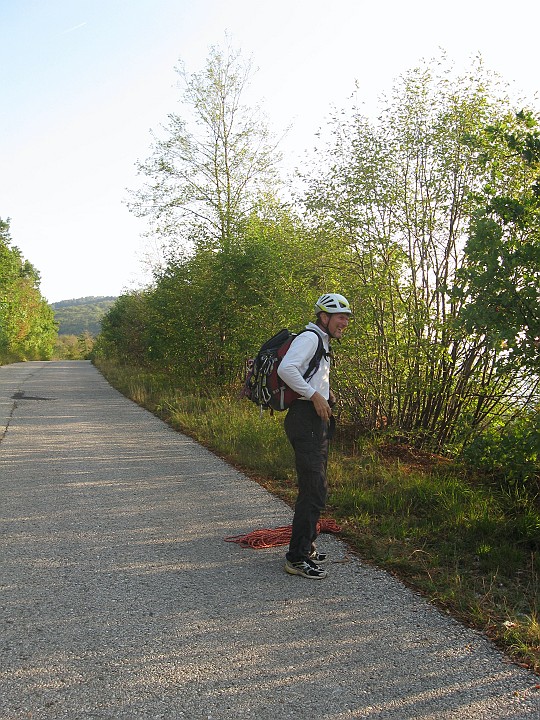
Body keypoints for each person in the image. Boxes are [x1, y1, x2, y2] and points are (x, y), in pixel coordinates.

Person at [277, 293, 352, 579]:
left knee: (315, 487)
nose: (344, 322)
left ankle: (305, 546)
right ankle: (296, 559)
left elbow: (310, 373)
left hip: (313, 421)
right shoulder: (310, 338)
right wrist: (314, 396)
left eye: (346, 317)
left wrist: (325, 392)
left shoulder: (322, 340)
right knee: (314, 489)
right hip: (304, 420)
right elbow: (287, 369)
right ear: (324, 317)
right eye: (340, 317)